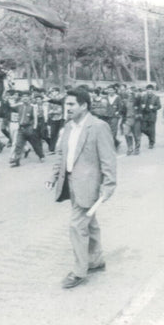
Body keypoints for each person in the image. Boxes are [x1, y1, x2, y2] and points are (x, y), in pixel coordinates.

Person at [47, 88, 117, 289]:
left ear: (84, 105)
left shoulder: (98, 127)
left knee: (77, 226)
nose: (66, 108)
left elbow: (108, 159)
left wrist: (108, 185)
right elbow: (61, 154)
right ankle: (96, 261)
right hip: (70, 182)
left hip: (89, 185)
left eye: (70, 104)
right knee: (90, 223)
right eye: (65, 104)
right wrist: (53, 176)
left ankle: (79, 271)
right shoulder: (68, 127)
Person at [139, 84, 161, 149]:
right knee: (142, 129)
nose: (149, 90)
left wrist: (153, 107)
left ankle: (151, 143)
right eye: (148, 89)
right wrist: (141, 107)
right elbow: (140, 104)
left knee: (152, 129)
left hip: (152, 115)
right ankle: (151, 137)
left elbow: (159, 106)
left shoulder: (156, 97)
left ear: (152, 90)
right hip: (145, 115)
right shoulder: (143, 97)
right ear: (146, 90)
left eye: (150, 89)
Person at [46, 87, 66, 153]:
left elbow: (60, 110)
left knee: (60, 133)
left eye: (54, 91)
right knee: (52, 133)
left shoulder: (61, 98)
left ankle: (59, 148)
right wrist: (50, 112)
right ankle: (52, 149)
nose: (53, 92)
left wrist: (53, 111)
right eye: (52, 91)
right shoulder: (50, 98)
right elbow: (48, 109)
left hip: (60, 118)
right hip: (52, 118)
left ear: (57, 91)